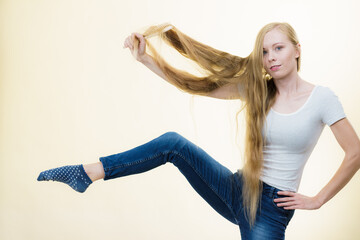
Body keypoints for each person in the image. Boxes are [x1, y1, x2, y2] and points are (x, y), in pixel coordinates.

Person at [37, 22, 360, 239]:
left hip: (270, 212)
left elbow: (355, 152)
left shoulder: (322, 99)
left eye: (278, 48)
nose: (271, 58)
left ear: (297, 49)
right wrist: (146, 60)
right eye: (264, 52)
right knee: (173, 144)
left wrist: (318, 200)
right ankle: (88, 173)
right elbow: (199, 87)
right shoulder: (259, 90)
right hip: (237, 188)